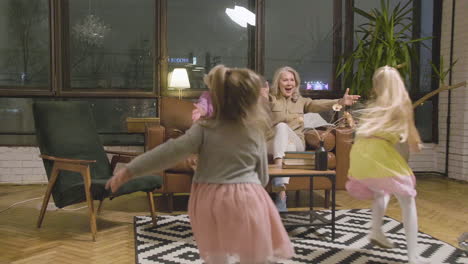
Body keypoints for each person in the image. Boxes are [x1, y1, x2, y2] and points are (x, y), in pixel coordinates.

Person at [106, 65, 294, 264]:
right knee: (253, 254)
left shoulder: (204, 129)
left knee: (216, 255)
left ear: (217, 98)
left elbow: (167, 152)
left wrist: (130, 170)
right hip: (248, 198)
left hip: (209, 200)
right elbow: (263, 176)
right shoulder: (255, 132)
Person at [345, 66, 429, 264]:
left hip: (359, 155)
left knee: (381, 191)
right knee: (407, 199)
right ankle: (413, 256)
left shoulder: (372, 107)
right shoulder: (402, 105)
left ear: (377, 86)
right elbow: (413, 143)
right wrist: (417, 144)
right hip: (380, 155)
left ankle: (375, 230)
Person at [267, 66, 360, 212]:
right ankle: (282, 195)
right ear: (278, 83)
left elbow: (318, 104)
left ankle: (280, 191)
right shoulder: (270, 99)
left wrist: (340, 101)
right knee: (281, 130)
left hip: (296, 142)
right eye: (285, 80)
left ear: (296, 83)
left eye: (292, 80)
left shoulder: (301, 101)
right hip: (273, 142)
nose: (289, 83)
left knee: (285, 133)